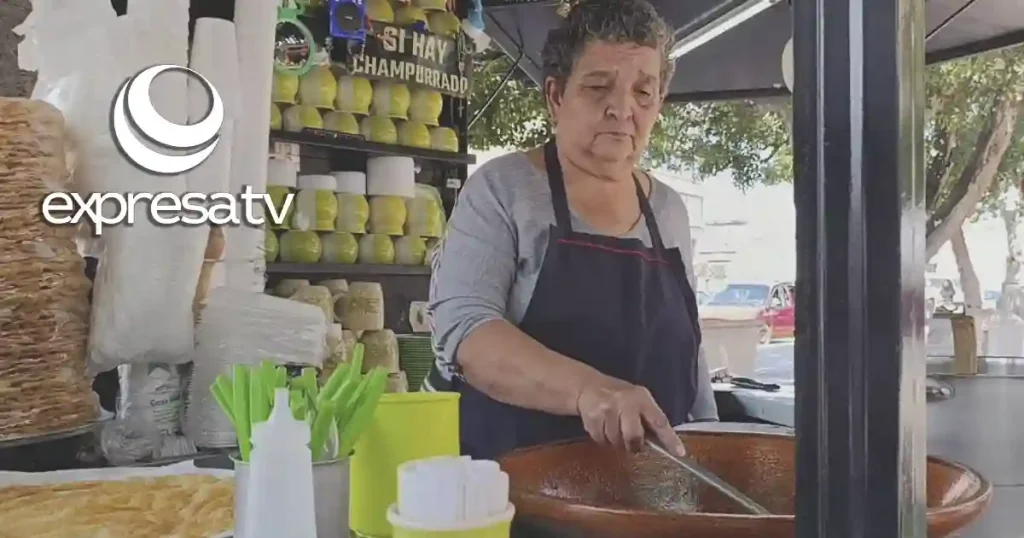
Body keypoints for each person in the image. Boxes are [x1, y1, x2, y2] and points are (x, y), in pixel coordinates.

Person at [424, 0, 717, 461]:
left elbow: (691, 361)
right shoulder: (503, 190)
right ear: (556, 95)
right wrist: (589, 390)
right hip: (518, 499)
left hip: (649, 502)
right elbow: (468, 336)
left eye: (644, 92)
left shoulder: (669, 211)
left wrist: (709, 446)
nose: (622, 109)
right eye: (599, 87)